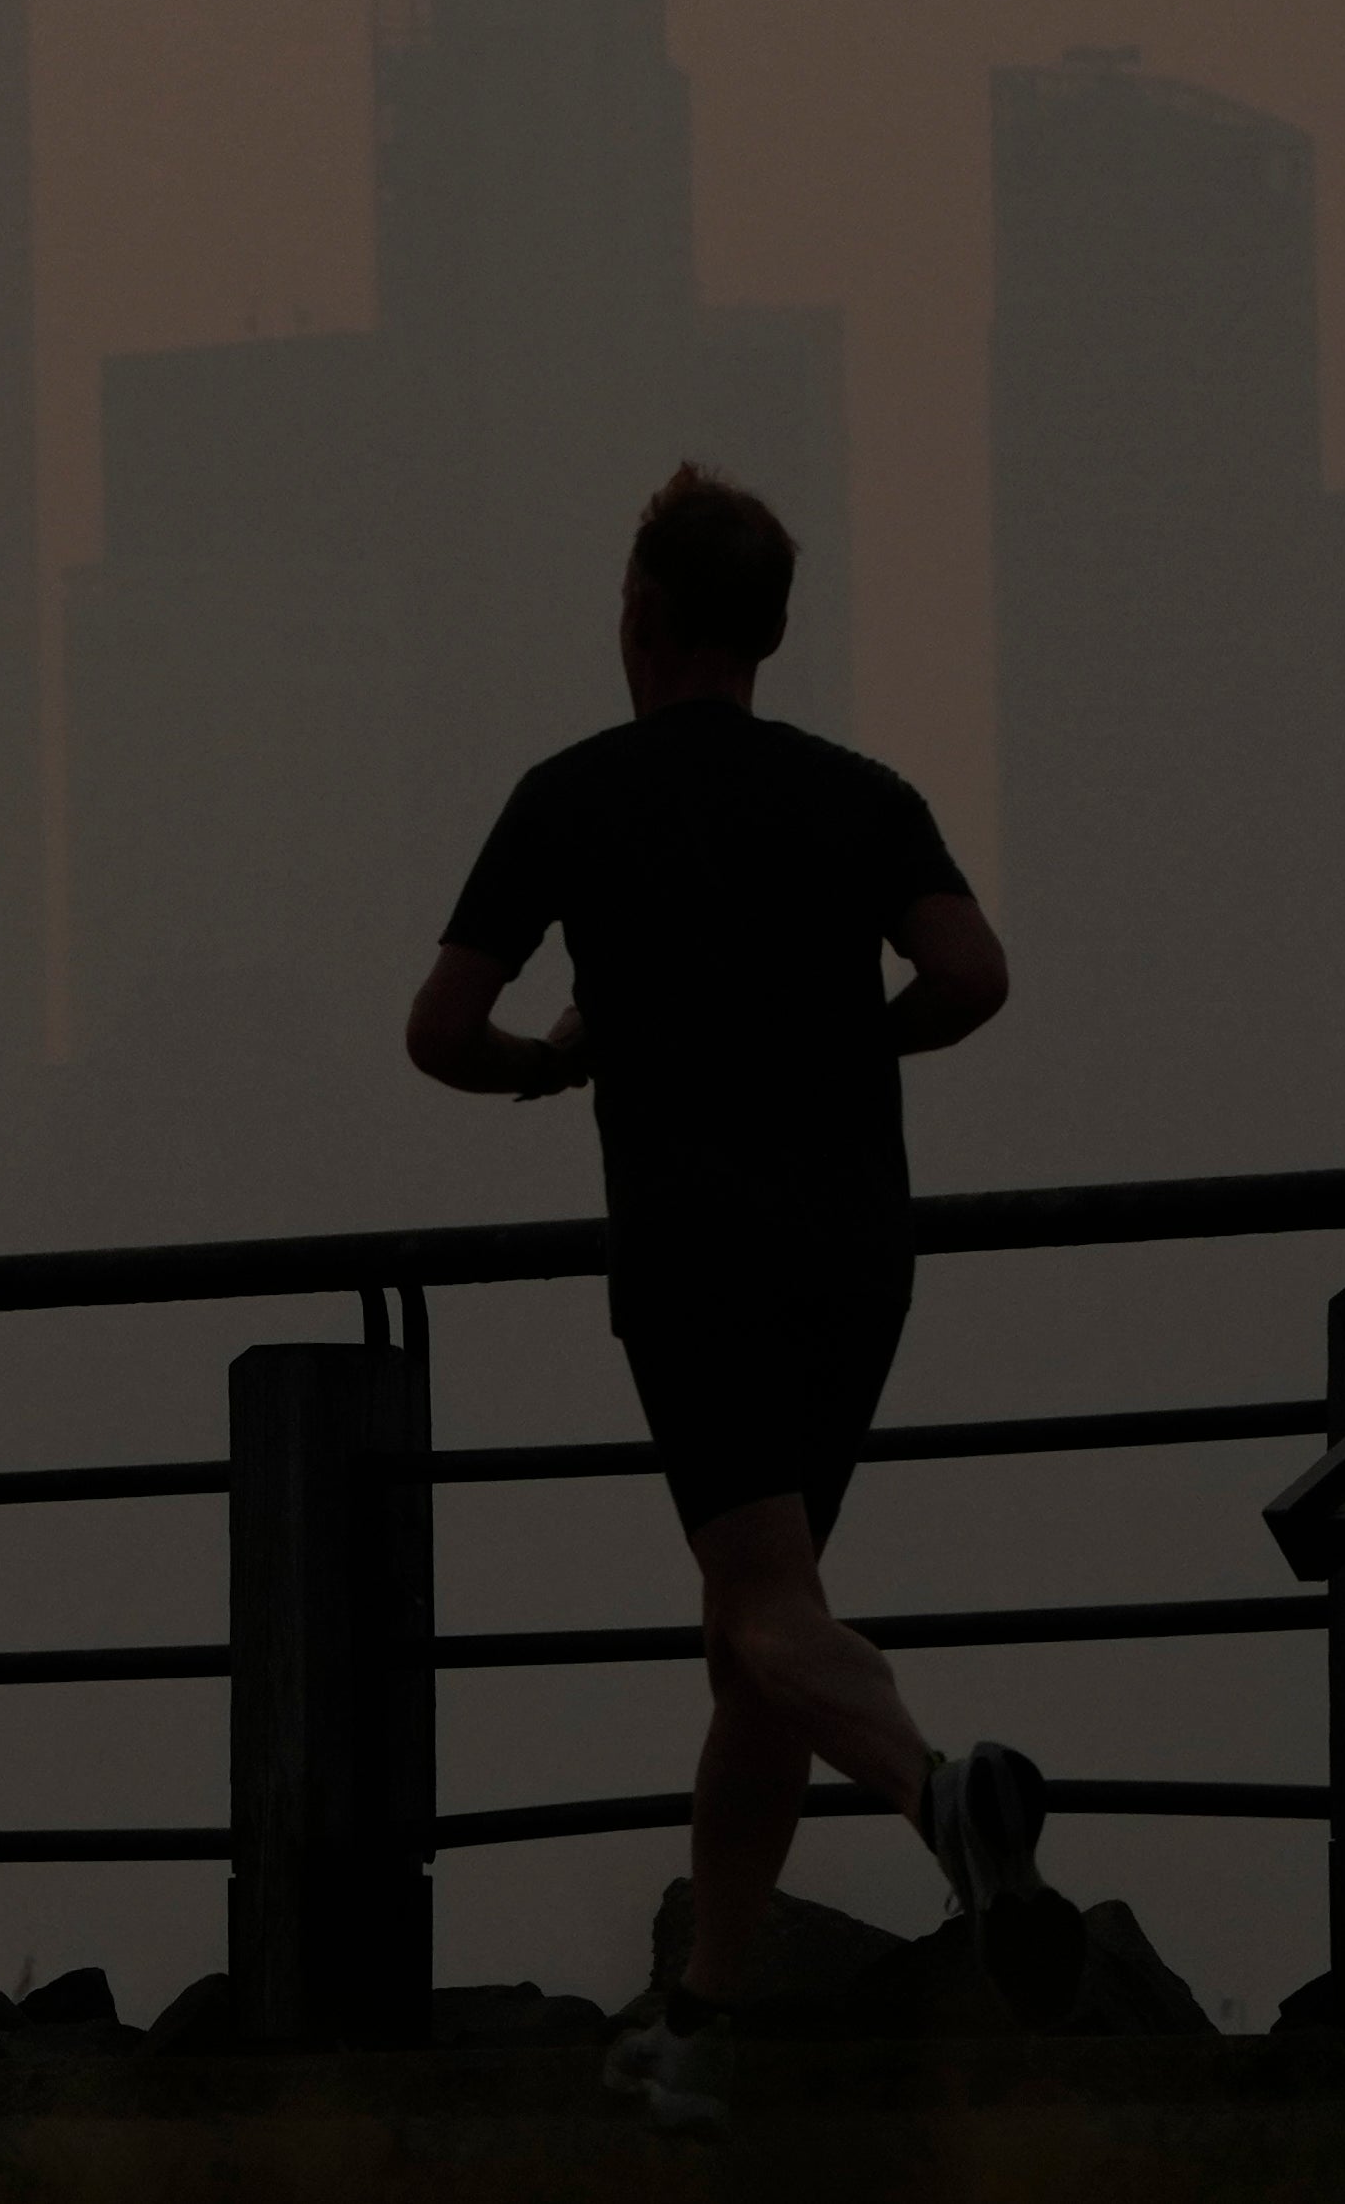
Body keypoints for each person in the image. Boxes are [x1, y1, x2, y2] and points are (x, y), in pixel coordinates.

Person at [408, 464, 1075, 2132]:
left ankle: (948, 1800)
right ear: (769, 632)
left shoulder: (573, 798)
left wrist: (548, 1068)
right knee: (753, 1635)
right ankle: (700, 2018)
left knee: (769, 1609)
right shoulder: (861, 796)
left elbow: (438, 1027)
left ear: (640, 617)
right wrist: (854, 1040)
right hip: (859, 1246)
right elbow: (975, 978)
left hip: (695, 1246)